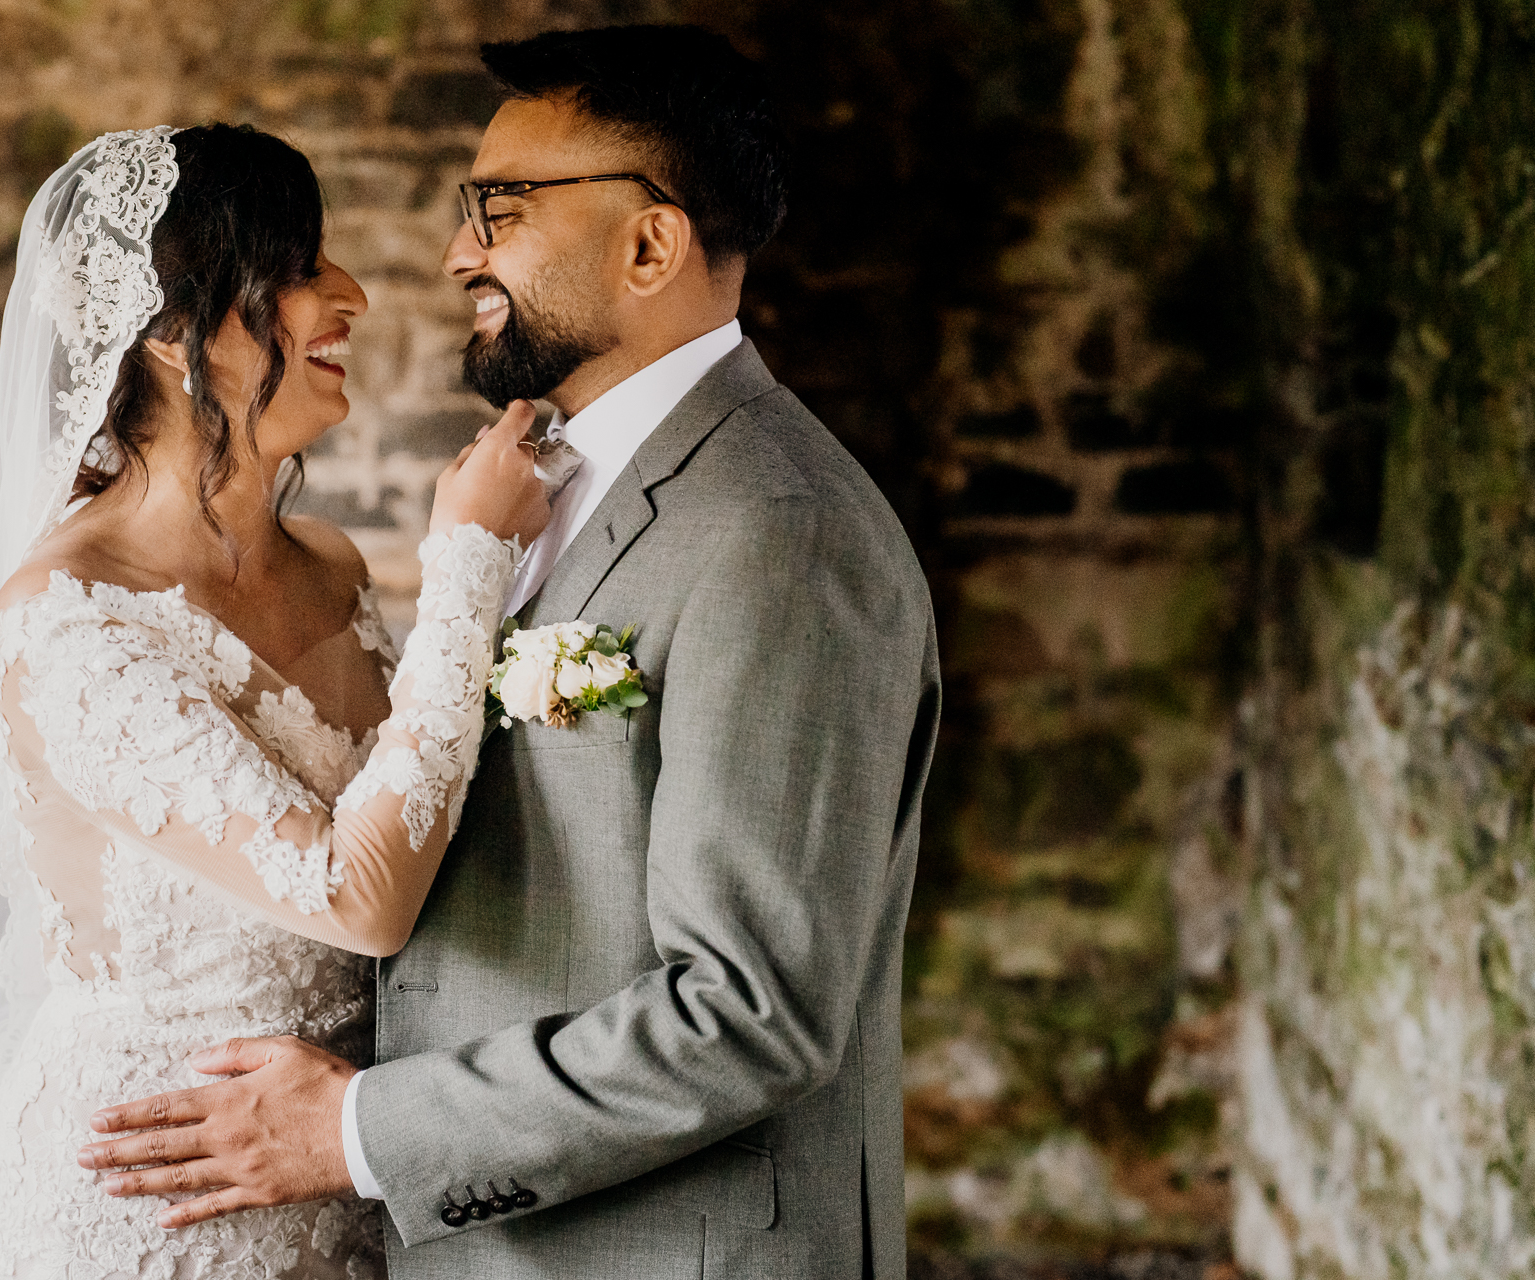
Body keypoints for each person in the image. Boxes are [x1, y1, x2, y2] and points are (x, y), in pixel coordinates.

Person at [81, 26, 942, 1280]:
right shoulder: (548, 479)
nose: (455, 254)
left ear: (652, 243)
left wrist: (361, 1130)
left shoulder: (782, 532)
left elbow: (750, 1011)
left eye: (501, 209)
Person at [0, 122, 548, 1278]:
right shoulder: (68, 617)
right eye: (300, 267)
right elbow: (354, 897)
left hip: (346, 1180)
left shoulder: (330, 563)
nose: (350, 294)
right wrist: (470, 563)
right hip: (147, 1207)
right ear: (177, 332)